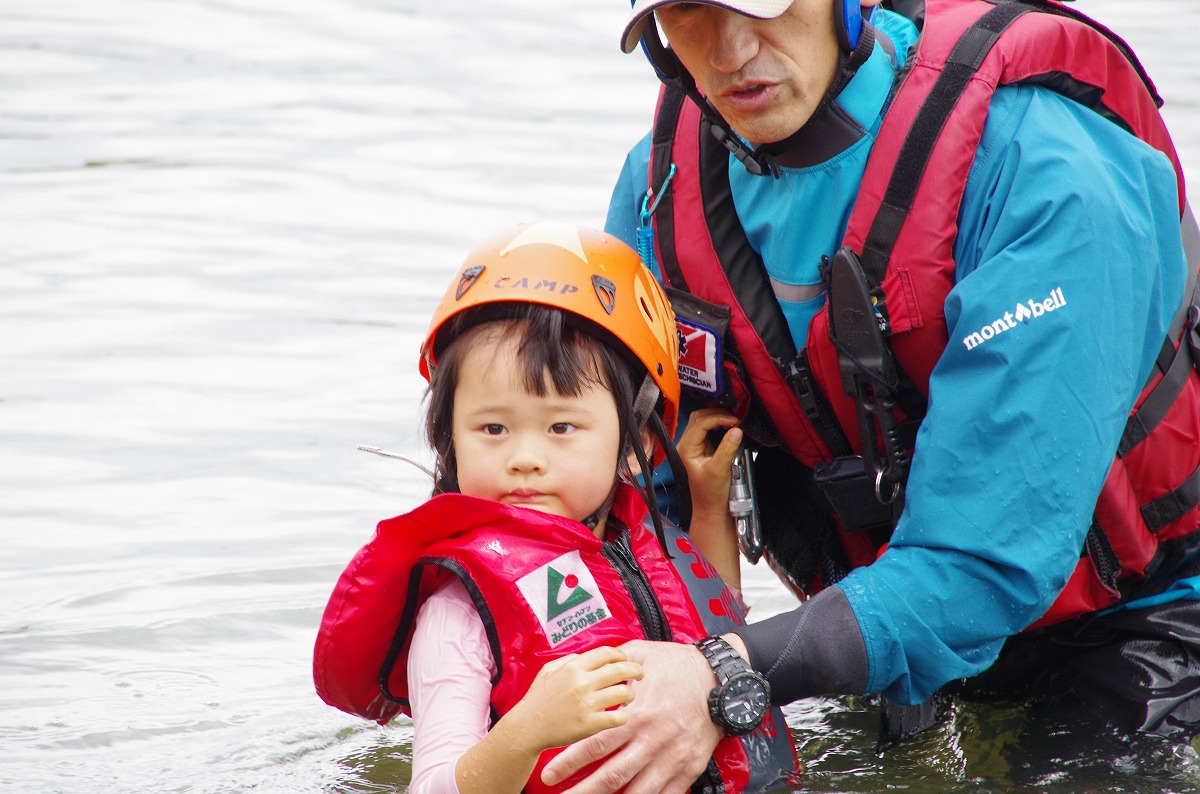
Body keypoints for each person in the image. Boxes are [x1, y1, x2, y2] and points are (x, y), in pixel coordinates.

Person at [536, 0, 1200, 792]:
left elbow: (984, 560)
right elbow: (622, 512)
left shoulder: (1051, 174)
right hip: (882, 622)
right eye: (690, 12)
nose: (733, 50)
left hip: (1144, 616)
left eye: (763, 4)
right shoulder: (659, 190)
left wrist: (721, 672)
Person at [311, 222, 798, 794]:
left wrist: (710, 509)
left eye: (561, 427)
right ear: (449, 438)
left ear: (638, 437)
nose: (524, 457)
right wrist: (526, 730)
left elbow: (717, 621)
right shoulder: (457, 612)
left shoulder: (633, 535)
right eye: (493, 428)